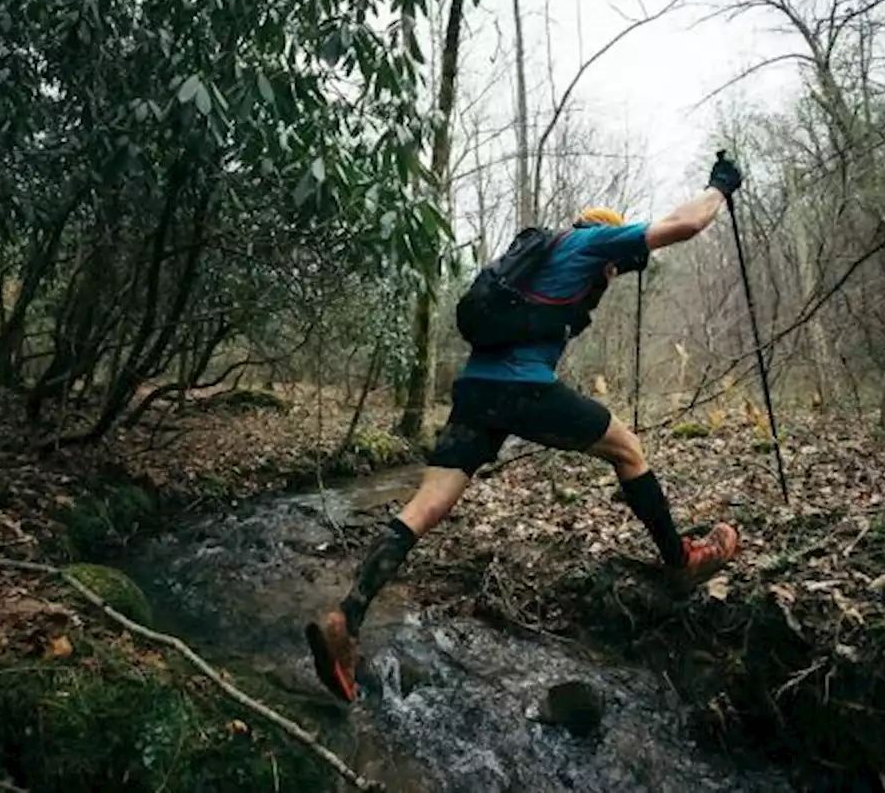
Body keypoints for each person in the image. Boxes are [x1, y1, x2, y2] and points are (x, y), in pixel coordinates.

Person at [306, 153, 745, 703]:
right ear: (604, 240)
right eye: (614, 265)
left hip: (477, 390)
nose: (611, 275)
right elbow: (686, 224)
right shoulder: (590, 244)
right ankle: (682, 562)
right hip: (522, 389)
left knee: (425, 505)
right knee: (629, 451)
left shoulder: (542, 256)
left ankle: (347, 617)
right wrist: (719, 190)